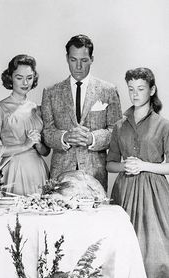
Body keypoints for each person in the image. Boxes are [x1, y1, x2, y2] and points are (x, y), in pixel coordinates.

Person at [106, 67, 169, 278]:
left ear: (152, 90)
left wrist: (143, 165)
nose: (135, 94)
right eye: (131, 89)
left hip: (155, 195)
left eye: (140, 89)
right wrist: (125, 166)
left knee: (155, 251)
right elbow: (110, 164)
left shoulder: (164, 126)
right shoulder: (119, 126)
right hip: (125, 190)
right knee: (124, 248)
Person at [41, 34, 122, 191]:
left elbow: (116, 131)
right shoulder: (51, 92)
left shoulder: (108, 90)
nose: (78, 66)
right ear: (67, 58)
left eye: (84, 61)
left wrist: (92, 138)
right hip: (61, 172)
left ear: (92, 59)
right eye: (73, 60)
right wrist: (65, 137)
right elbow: (47, 132)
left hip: (95, 173)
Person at [0, 55, 50, 196]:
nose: (25, 82)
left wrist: (39, 146)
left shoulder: (38, 109)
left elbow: (46, 152)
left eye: (29, 77)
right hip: (12, 170)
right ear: (10, 78)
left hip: (37, 170)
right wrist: (24, 146)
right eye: (19, 78)